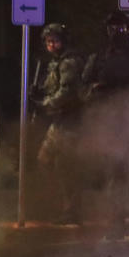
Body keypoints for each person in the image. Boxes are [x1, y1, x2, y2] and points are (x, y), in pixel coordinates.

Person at [81, 10, 129, 238]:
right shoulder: (99, 58)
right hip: (112, 124)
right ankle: (117, 226)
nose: (117, 33)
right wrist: (96, 93)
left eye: (121, 28)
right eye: (113, 28)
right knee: (116, 177)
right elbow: (84, 88)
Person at [32, 22, 85, 224]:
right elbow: (51, 88)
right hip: (59, 121)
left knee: (66, 166)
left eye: (55, 41)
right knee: (44, 160)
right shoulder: (55, 63)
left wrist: (44, 104)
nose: (51, 45)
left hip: (71, 120)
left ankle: (72, 210)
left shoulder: (69, 62)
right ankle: (63, 204)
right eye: (48, 42)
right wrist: (39, 94)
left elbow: (67, 92)